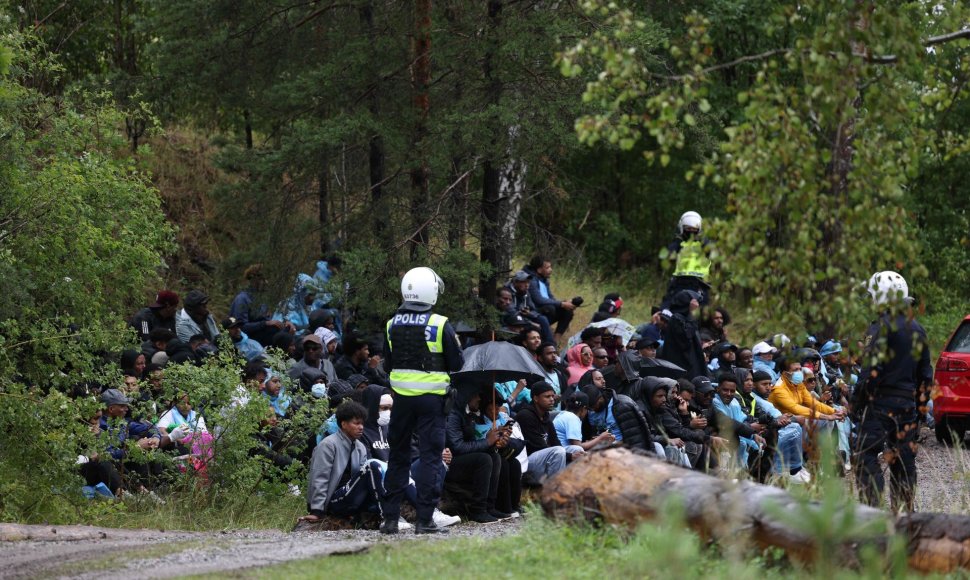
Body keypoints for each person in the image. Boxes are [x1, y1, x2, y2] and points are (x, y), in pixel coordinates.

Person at [380, 266, 463, 535]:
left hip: (401, 400)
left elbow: (388, 364)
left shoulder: (392, 324)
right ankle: (424, 520)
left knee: (398, 458)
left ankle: (390, 519)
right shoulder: (439, 324)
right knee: (430, 458)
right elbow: (457, 362)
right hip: (432, 401)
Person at [853, 271, 932, 512]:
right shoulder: (918, 329)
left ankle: (871, 513)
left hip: (878, 404)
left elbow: (869, 373)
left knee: (865, 456)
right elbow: (925, 376)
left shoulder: (877, 329)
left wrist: (856, 404)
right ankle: (905, 516)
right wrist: (919, 412)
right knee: (904, 461)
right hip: (907, 405)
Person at [303, 401, 389, 523]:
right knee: (372, 466)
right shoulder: (328, 445)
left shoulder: (360, 447)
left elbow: (360, 479)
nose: (361, 427)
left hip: (351, 497)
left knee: (376, 472)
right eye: (356, 423)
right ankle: (387, 516)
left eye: (362, 424)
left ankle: (392, 512)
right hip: (333, 501)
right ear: (343, 424)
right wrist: (317, 511)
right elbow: (319, 478)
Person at [444, 389, 519, 522]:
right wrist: (487, 441)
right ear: (466, 395)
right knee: (483, 459)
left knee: (494, 456)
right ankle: (477, 510)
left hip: (463, 459)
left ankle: (489, 507)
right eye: (476, 395)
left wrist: (494, 437)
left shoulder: (468, 414)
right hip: (448, 463)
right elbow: (458, 447)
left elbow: (472, 443)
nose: (479, 398)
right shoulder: (453, 415)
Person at [516, 382, 582, 483]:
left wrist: (572, 454)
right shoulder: (525, 416)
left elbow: (555, 442)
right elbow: (538, 447)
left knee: (577, 449)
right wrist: (569, 456)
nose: (552, 399)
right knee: (559, 451)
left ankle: (573, 486)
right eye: (547, 396)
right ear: (536, 398)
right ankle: (554, 490)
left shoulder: (546, 415)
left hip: (543, 457)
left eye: (552, 396)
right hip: (527, 461)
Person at [661, 211, 712, 307]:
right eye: (688, 229)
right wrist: (676, 243)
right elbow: (667, 258)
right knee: (666, 310)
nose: (691, 231)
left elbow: (715, 256)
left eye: (694, 229)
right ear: (682, 228)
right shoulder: (678, 244)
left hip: (700, 284)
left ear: (699, 229)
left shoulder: (705, 245)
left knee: (700, 315)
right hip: (679, 282)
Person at [523, 256, 579, 342]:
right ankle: (544, 335)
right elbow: (539, 300)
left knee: (568, 311)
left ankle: (556, 340)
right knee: (551, 308)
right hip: (533, 311)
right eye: (548, 267)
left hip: (545, 309)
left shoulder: (544, 280)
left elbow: (550, 297)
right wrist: (561, 304)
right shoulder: (531, 279)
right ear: (539, 270)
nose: (551, 270)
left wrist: (564, 303)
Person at [658, 290, 707, 380]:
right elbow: (685, 338)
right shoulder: (676, 318)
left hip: (690, 368)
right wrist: (692, 314)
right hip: (681, 371)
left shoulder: (688, 319)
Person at [505, 270, 554, 343]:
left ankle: (550, 346)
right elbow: (511, 313)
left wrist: (529, 313)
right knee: (534, 327)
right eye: (523, 282)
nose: (527, 285)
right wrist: (531, 323)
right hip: (513, 320)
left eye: (528, 282)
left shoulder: (526, 293)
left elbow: (533, 309)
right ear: (515, 282)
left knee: (543, 319)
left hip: (523, 317)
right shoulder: (507, 292)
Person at [537, 342, 570, 409]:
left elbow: (565, 395)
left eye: (554, 353)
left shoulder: (561, 374)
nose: (554, 356)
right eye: (549, 353)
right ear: (540, 358)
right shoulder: (536, 376)